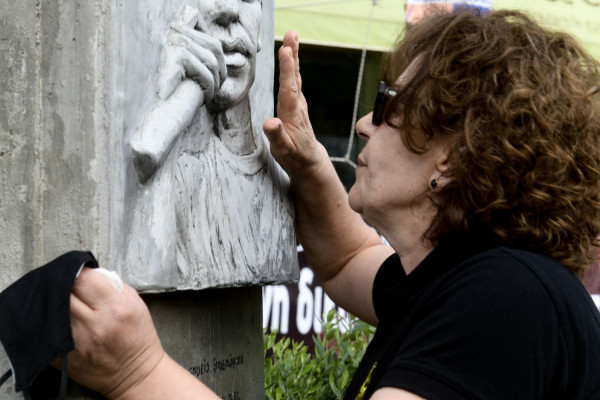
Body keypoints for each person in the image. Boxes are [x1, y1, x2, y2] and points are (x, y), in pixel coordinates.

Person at [64, 8, 600, 399]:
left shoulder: (506, 300)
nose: (364, 124)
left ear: (452, 157)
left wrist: (138, 371)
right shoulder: (462, 279)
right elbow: (346, 259)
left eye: (388, 105)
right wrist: (308, 164)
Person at [123, 0, 296, 290]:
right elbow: (139, 273)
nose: (229, 10)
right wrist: (170, 109)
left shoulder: (280, 189)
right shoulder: (181, 174)